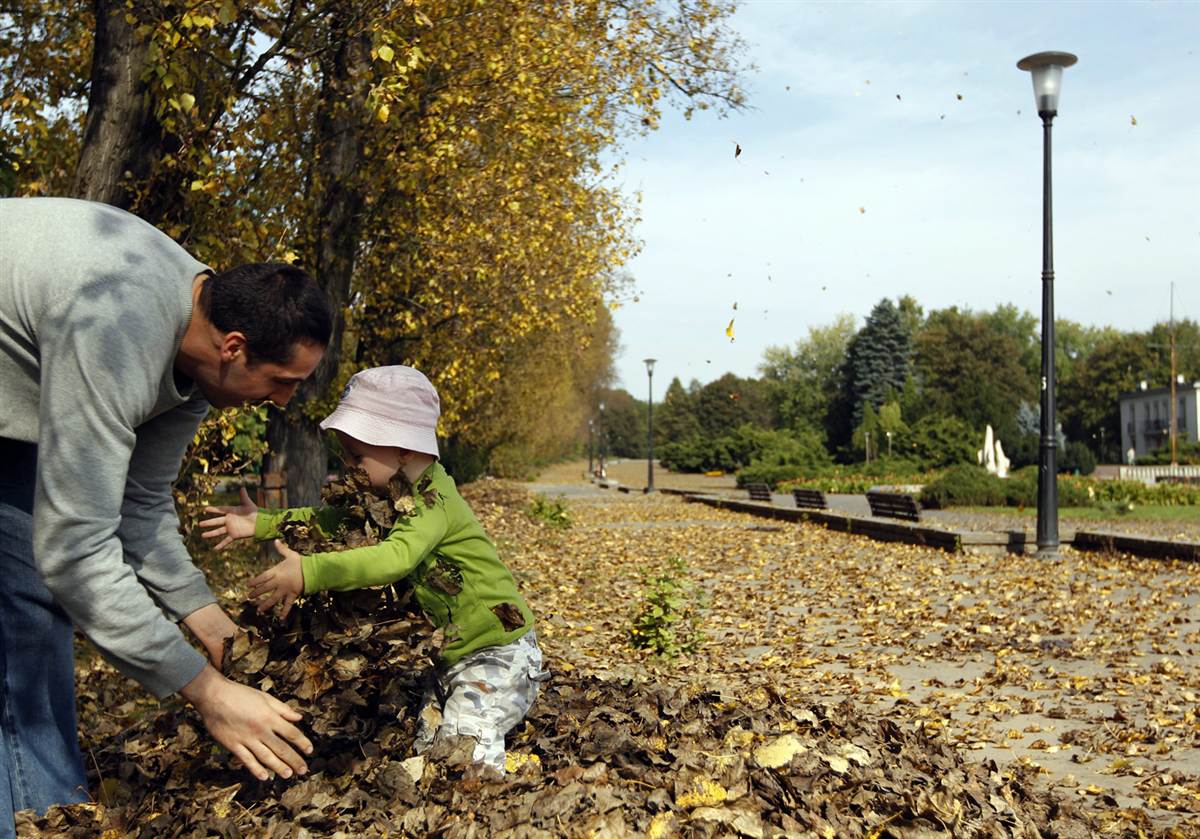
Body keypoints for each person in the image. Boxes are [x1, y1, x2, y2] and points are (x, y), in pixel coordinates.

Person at [0, 197, 330, 832]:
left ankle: (45, 819)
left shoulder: (199, 347)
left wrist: (203, 613)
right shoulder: (117, 326)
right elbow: (77, 552)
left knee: (33, 613)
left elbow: (140, 502)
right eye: (283, 382)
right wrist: (207, 693)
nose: (286, 402)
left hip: (15, 418)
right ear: (234, 347)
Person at [200, 366, 547, 772]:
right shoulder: (388, 497)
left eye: (356, 455)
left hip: (501, 653)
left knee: (466, 738)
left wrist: (309, 572)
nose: (347, 465)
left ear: (403, 449)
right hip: (455, 660)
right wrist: (260, 523)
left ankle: (487, 804)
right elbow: (329, 521)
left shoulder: (433, 501)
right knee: (430, 743)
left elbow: (392, 559)